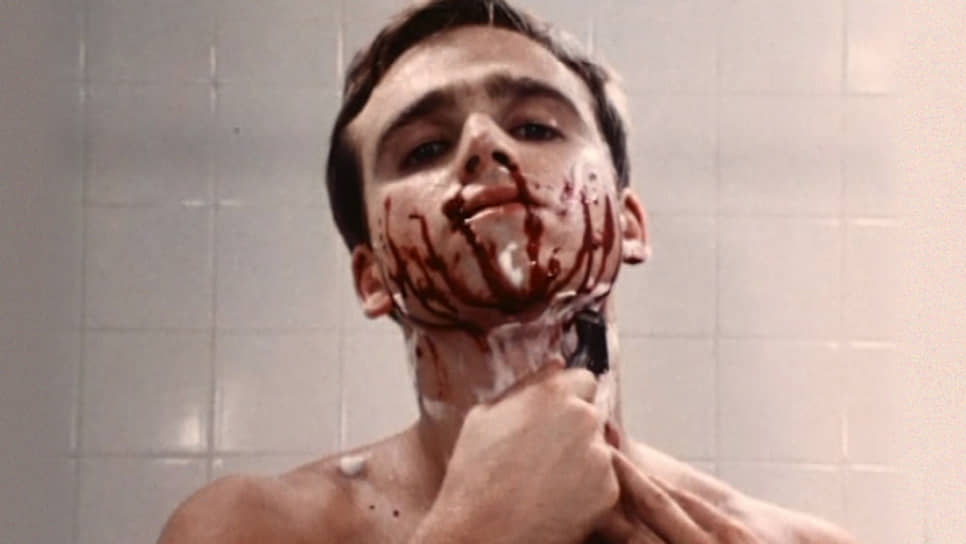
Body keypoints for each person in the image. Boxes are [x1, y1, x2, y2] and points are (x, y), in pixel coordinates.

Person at [158, 1, 857, 542]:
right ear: (371, 278)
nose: (483, 141)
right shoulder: (252, 529)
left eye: (535, 128)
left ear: (630, 223)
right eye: (424, 148)